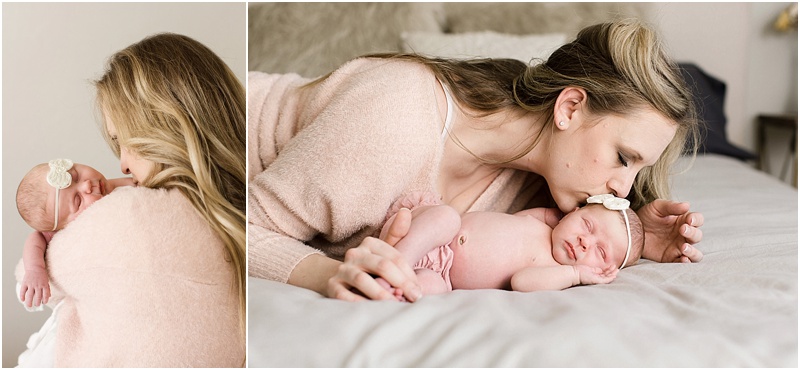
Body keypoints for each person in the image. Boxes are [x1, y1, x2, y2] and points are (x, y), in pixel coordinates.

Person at [247, 20, 705, 303]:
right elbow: (239, 224)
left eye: (639, 170)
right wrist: (329, 274)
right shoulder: (397, 120)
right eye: (624, 158)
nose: (623, 189)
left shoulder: (540, 192)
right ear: (568, 108)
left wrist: (641, 238)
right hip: (204, 127)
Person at [16, 33, 246, 367]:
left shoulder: (133, 214)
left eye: (127, 140)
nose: (121, 164)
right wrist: (35, 269)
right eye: (75, 202)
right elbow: (34, 247)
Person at [374, 193, 643, 298]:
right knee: (445, 216)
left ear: (603, 271)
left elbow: (521, 282)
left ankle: (394, 284)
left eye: (600, 251)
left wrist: (575, 275)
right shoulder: (544, 222)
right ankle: (398, 260)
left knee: (429, 289)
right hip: (438, 236)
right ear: (573, 211)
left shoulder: (555, 272)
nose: (586, 241)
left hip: (444, 276)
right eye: (587, 225)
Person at [15, 159, 135, 310]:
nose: (87, 185)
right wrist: (35, 270)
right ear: (60, 227)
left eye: (75, 176)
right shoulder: (63, 232)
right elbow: (36, 238)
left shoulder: (121, 186)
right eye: (78, 200)